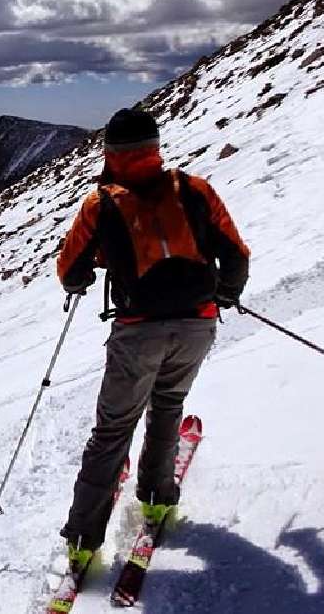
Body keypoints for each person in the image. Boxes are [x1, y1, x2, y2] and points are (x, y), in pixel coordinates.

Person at [55, 108, 250, 570]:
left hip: (138, 330)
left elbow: (69, 270)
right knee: (168, 406)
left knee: (112, 430)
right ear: (156, 145)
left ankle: (84, 540)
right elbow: (235, 254)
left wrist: (83, 278)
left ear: (110, 153)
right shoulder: (194, 190)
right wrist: (224, 294)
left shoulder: (101, 204)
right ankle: (159, 499)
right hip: (196, 324)